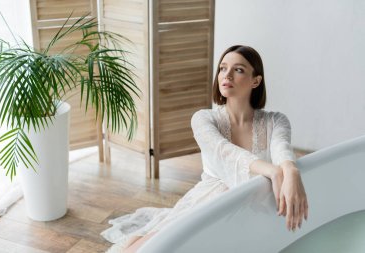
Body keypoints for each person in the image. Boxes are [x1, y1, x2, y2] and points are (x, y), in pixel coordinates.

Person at [101, 45, 309, 253]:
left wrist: (290, 170)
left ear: (256, 81)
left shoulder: (276, 121)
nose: (226, 75)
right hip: (207, 203)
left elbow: (282, 150)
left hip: (254, 207)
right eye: (222, 68)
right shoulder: (203, 119)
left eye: (238, 70)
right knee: (143, 249)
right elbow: (225, 152)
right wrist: (273, 171)